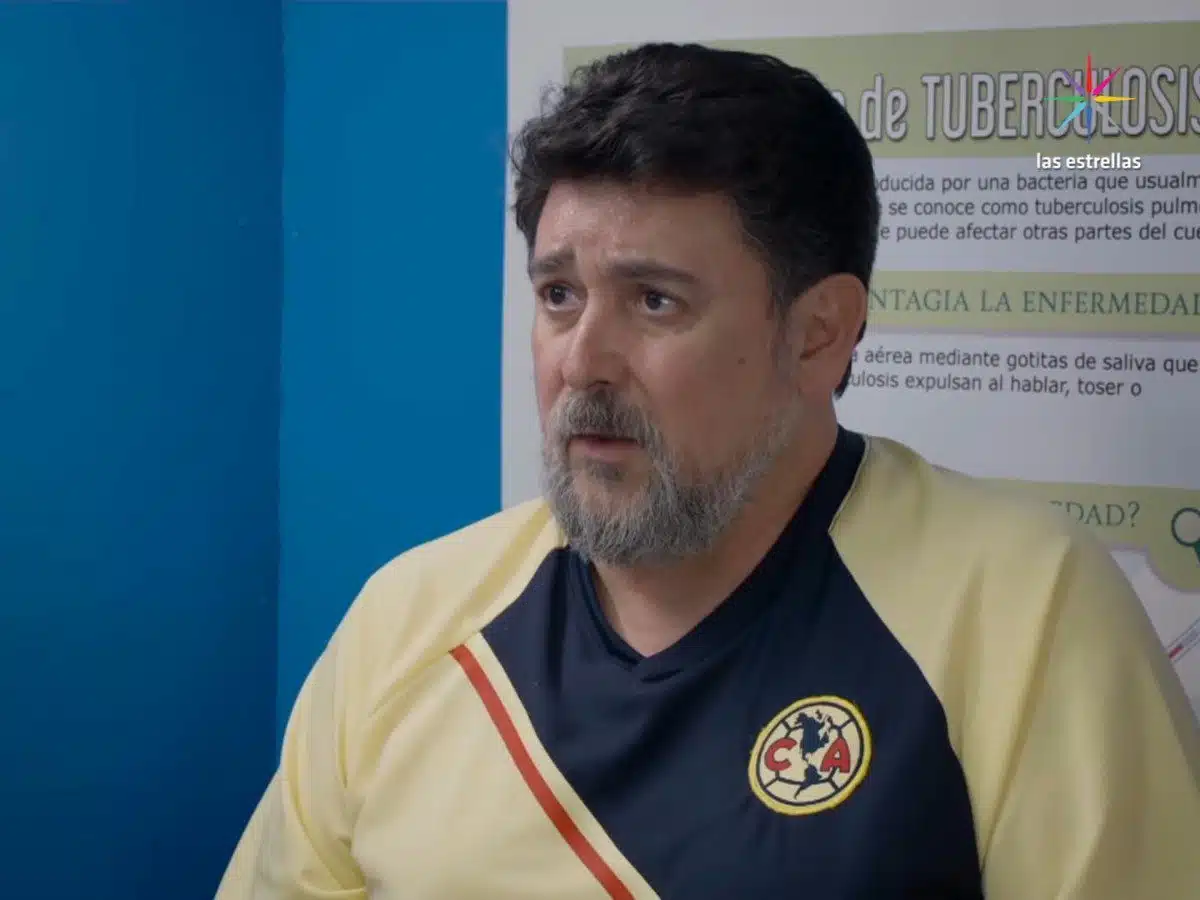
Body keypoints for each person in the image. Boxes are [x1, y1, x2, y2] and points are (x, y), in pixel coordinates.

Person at [216, 43, 1200, 899]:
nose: (582, 362)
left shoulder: (1026, 610)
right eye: (558, 295)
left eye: (654, 301)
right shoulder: (410, 619)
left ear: (819, 333)